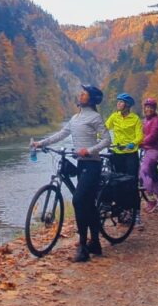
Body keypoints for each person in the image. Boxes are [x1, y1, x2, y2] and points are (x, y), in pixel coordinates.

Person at [32, 85, 111, 262]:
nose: (80, 95)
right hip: (82, 164)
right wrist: (41, 143)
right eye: (81, 93)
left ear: (90, 99)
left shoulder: (95, 117)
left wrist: (89, 150)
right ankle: (95, 243)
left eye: (84, 94)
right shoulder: (75, 118)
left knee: (78, 201)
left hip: (92, 165)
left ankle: (83, 247)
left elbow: (107, 140)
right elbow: (61, 134)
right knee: (88, 205)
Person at [105, 92, 143, 226]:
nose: (118, 104)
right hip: (117, 153)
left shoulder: (135, 118)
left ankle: (137, 213)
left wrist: (133, 142)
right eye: (118, 101)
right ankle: (122, 210)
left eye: (121, 102)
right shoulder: (114, 117)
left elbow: (139, 136)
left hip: (131, 153)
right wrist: (98, 137)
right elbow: (104, 128)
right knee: (118, 183)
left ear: (127, 105)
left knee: (132, 183)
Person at [140, 98, 158, 212]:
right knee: (153, 174)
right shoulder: (145, 120)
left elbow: (153, 136)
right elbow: (140, 133)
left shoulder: (157, 120)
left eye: (151, 107)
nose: (148, 109)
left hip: (155, 149)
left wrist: (139, 142)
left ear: (154, 109)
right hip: (147, 149)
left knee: (144, 171)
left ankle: (151, 199)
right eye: (147, 107)